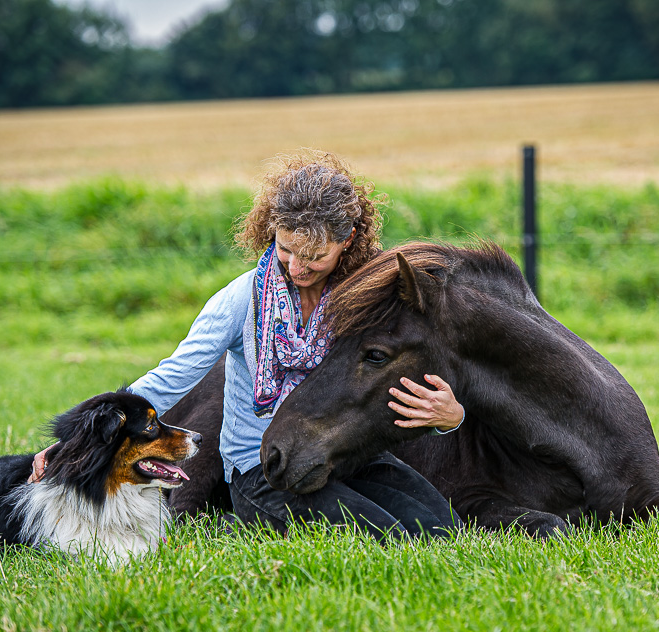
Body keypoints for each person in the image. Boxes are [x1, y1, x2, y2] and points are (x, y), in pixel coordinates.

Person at [29, 151, 464, 541]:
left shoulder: (364, 296)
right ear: (271, 230)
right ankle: (247, 514)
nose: (297, 267)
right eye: (287, 248)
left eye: (315, 256)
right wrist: (79, 438)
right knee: (389, 538)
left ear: (347, 240)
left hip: (343, 453)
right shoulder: (240, 301)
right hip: (265, 468)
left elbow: (410, 362)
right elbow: (174, 375)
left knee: (443, 528)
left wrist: (451, 416)